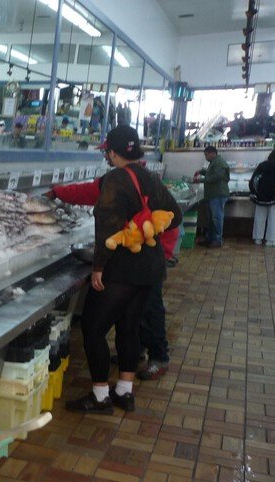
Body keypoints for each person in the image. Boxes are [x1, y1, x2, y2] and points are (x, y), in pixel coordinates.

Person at [65, 125, 181, 414]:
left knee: (92, 328)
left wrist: (98, 267)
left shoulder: (115, 180)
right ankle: (124, 392)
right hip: (151, 267)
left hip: (123, 269)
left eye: (107, 152)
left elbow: (106, 227)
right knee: (129, 327)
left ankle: (101, 396)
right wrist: (146, 227)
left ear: (114, 153)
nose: (107, 156)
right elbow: (175, 215)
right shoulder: (150, 176)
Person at [193, 146, 230, 248]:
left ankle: (217, 240)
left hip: (218, 195)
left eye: (206, 155)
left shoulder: (220, 163)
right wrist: (201, 172)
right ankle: (210, 238)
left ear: (213, 153)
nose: (206, 157)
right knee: (211, 218)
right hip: (212, 195)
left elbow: (215, 177)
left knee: (217, 218)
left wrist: (199, 180)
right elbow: (211, 173)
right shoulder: (214, 163)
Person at [249, 149, 275, 246]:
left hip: (261, 196)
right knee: (273, 219)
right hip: (273, 197)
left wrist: (253, 191)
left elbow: (253, 179)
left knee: (259, 217)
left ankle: (258, 238)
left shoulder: (262, 165)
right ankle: (271, 240)